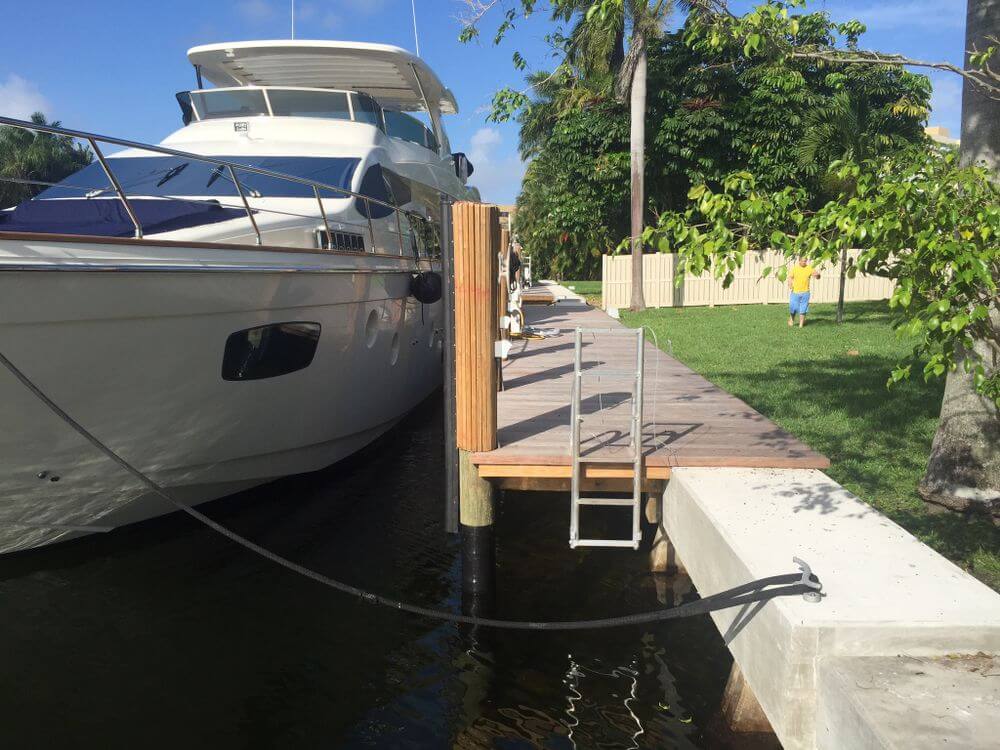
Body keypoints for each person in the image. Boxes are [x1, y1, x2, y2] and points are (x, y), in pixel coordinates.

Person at [788, 257, 820, 327]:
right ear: (799, 261)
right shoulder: (795, 269)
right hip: (795, 292)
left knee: (803, 309)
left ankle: (801, 324)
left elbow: (817, 276)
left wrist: (818, 275)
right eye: (802, 261)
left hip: (805, 293)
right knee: (793, 308)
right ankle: (791, 319)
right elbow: (790, 277)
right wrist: (790, 284)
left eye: (805, 261)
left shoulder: (809, 268)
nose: (804, 262)